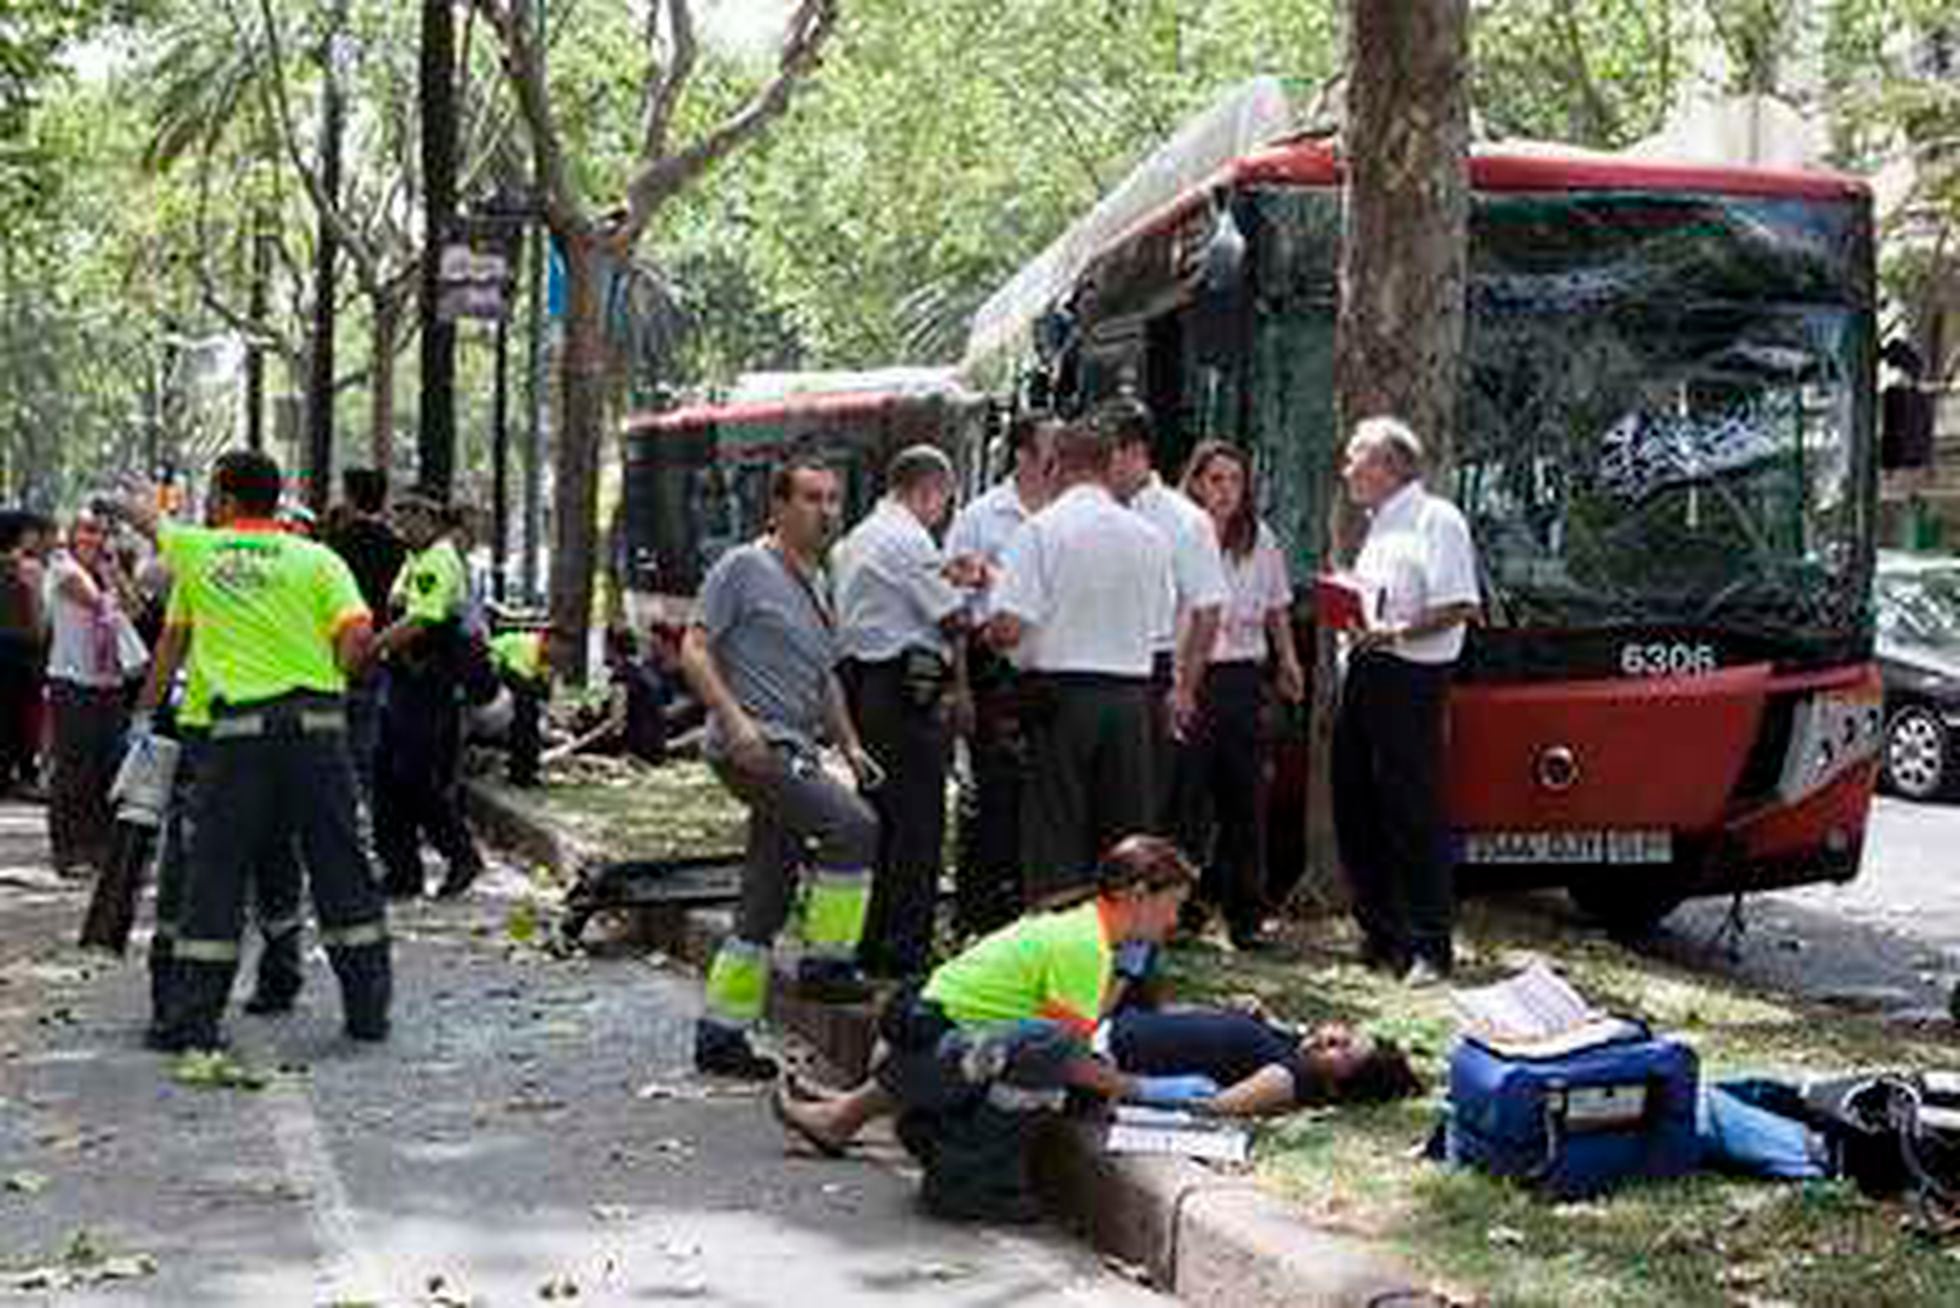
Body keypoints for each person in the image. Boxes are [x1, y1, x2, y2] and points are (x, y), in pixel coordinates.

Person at [771, 835, 1210, 1222]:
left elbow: (1085, 1022)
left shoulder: (1079, 926)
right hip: (927, 1057)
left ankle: (920, 1135)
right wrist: (1147, 1090)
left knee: (1066, 1059)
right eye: (1172, 905)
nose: (1173, 921)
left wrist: (1125, 974)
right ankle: (967, 1177)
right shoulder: (1084, 946)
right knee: (1052, 1050)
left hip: (922, 1051)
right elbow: (1067, 1055)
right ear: (1136, 895)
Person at [138, 450, 390, 1051]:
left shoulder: (201, 553)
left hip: (236, 737)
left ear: (224, 499)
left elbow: (152, 527)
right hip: (318, 729)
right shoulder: (318, 558)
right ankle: (367, 1012)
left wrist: (144, 716)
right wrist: (331, 676)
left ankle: (191, 1022)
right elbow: (358, 634)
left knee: (215, 872)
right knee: (339, 863)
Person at [680, 455, 881, 1080]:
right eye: (813, 498)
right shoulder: (743, 566)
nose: (826, 510)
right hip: (756, 748)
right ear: (777, 506)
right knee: (854, 826)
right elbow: (694, 646)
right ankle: (827, 962)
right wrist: (734, 719)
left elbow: (824, 679)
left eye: (832, 499)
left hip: (795, 745)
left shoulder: (819, 580)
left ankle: (721, 1033)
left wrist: (849, 744)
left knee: (764, 898)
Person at [987, 421, 1173, 902]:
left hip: (1061, 696)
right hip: (1131, 695)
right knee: (1125, 834)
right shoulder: (1148, 537)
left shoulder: (1040, 531)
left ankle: (1060, 950)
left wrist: (993, 637)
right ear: (1111, 465)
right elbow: (1159, 626)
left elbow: (1009, 624)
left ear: (1055, 467)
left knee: (1055, 829)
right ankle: (1130, 955)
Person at [1334, 416, 1481, 984]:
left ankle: (1430, 944)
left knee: (1412, 811)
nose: (1347, 470)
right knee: (1356, 802)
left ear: (1388, 466)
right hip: (1367, 670)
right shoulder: (1378, 524)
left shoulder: (1436, 519)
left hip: (1411, 676)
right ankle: (1382, 933)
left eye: (1356, 458)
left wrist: (1393, 633)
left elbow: (1459, 603)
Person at [833, 444, 967, 978]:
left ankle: (870, 937)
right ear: (927, 490)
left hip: (863, 687)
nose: (943, 513)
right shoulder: (909, 539)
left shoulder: (856, 540)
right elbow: (952, 616)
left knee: (880, 818)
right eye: (943, 501)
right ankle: (906, 947)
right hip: (906, 689)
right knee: (918, 823)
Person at [1173, 441, 1304, 948]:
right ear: (1197, 482)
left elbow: (1277, 607)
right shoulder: (1180, 533)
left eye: (1235, 481)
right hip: (1192, 675)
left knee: (1245, 798)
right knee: (1186, 799)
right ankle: (1179, 911)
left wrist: (1288, 660)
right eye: (1216, 479)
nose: (1226, 491)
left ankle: (1246, 914)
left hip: (1242, 675)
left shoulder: (1260, 539)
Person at [944, 415, 1055, 937]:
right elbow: (954, 608)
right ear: (1023, 455)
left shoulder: (1067, 513)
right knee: (991, 792)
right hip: (994, 666)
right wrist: (961, 685)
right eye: (1050, 449)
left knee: (1044, 794)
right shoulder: (981, 517)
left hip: (1052, 668)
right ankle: (978, 914)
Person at [1102, 396, 1228, 826]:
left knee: (1142, 803)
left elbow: (1208, 610)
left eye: (1108, 455)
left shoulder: (1183, 520)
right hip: (1092, 665)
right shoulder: (1088, 511)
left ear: (1135, 453)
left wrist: (1186, 688)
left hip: (1150, 670)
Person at [370, 487, 485, 899]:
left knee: (415, 778)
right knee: (385, 779)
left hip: (426, 684)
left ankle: (461, 854)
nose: (400, 520)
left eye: (409, 512)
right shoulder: (414, 560)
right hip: (399, 680)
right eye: (398, 511)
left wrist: (371, 647)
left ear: (431, 517)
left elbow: (422, 620)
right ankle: (401, 871)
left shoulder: (438, 560)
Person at [42, 510, 146, 876]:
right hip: (72, 681)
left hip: (109, 683)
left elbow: (134, 609)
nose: (94, 538)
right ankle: (70, 849)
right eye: (86, 530)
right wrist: (110, 582)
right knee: (75, 767)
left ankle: (101, 848)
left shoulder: (105, 575)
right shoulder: (63, 568)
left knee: (108, 768)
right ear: (71, 535)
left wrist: (115, 572)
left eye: (101, 532)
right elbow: (96, 602)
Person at [1105, 1007, 1421, 1117]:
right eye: (1347, 1034)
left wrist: (1139, 1091)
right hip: (1111, 1025)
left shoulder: (1293, 1078)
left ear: (1340, 1084)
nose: (1333, 1039)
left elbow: (1212, 1104)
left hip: (1109, 1054)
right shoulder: (1292, 1045)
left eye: (1345, 1052)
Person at [324, 468, 406, 812]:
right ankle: (371, 812)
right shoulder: (398, 547)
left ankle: (339, 808)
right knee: (367, 735)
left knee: (332, 736)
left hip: (336, 646)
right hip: (377, 647)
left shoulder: (335, 545)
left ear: (351, 497)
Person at [0, 511, 49, 795]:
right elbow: (36, 614)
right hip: (22, 647)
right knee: (23, 713)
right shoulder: (27, 568)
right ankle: (24, 774)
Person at [487, 624, 563, 787]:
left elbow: (545, 693)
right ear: (547, 639)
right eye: (556, 647)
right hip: (493, 665)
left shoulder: (545, 657)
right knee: (525, 714)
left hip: (509, 675)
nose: (558, 653)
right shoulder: (527, 646)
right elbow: (518, 677)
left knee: (530, 716)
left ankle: (528, 768)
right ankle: (520, 770)